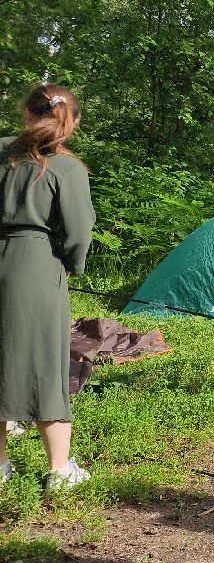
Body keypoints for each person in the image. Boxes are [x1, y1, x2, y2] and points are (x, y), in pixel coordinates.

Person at [0, 84, 95, 491]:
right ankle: (58, 470)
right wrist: (72, 267)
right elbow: (78, 231)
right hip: (36, 265)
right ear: (69, 121)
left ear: (26, 114)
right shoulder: (66, 166)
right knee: (46, 364)